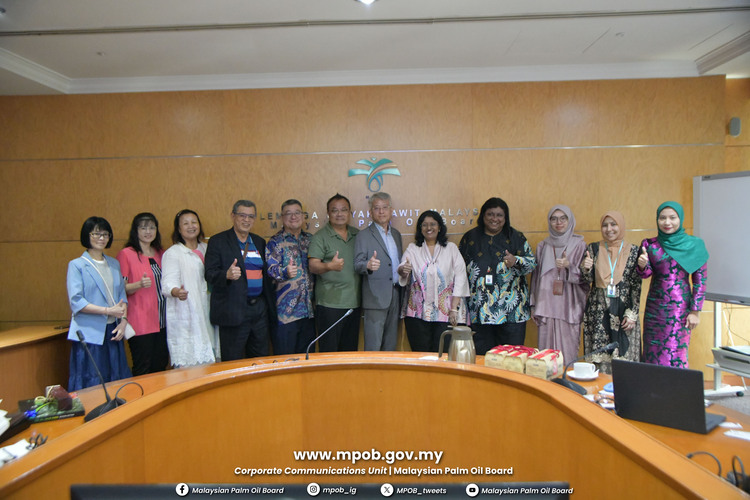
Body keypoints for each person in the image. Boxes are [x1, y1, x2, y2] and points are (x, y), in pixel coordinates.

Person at [459, 197, 537, 355]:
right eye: (490, 214)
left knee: (511, 359)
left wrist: (516, 261)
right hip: (479, 312)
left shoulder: (516, 237)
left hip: (512, 313)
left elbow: (532, 264)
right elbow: (459, 270)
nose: (494, 219)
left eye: (499, 215)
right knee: (482, 359)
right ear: (483, 216)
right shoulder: (470, 238)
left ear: (505, 217)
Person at [637, 201, 708, 368]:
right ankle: (652, 385)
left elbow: (700, 281)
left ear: (680, 219)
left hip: (679, 310)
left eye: (672, 218)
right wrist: (642, 265)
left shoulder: (694, 245)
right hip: (654, 309)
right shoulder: (650, 244)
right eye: (662, 218)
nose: (667, 222)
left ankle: (675, 385)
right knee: (651, 353)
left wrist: (695, 311)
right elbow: (646, 274)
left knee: (674, 352)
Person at [66, 217, 132, 391]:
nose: (101, 238)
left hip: (114, 330)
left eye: (105, 234)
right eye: (96, 234)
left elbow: (122, 297)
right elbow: (76, 301)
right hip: (90, 333)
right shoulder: (77, 265)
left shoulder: (114, 263)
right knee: (92, 381)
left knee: (116, 378)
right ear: (87, 236)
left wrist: (123, 322)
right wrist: (107, 310)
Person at [205, 200, 275, 361]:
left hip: (259, 310)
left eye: (251, 216)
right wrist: (226, 275)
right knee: (233, 360)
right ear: (233, 216)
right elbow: (209, 273)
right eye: (242, 215)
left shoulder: (259, 241)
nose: (246, 220)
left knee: (260, 359)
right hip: (233, 310)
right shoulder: (218, 241)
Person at [398, 210, 470, 352]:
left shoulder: (451, 248)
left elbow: (461, 277)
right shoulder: (413, 248)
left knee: (443, 354)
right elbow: (402, 267)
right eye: (424, 225)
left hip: (447, 312)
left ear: (440, 227)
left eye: (433, 224)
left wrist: (454, 309)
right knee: (421, 355)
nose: (429, 228)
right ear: (420, 229)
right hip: (418, 313)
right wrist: (403, 269)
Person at [580, 211, 642, 374]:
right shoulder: (593, 249)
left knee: (624, 360)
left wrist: (632, 313)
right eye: (605, 225)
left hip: (624, 312)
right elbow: (586, 280)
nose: (609, 229)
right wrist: (586, 268)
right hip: (598, 312)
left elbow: (636, 285)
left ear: (621, 226)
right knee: (599, 360)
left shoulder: (634, 251)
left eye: (613, 224)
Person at [530, 205, 589, 366]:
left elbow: (586, 278)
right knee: (546, 358)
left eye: (563, 218)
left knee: (567, 355)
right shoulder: (543, 246)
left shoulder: (580, 245)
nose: (558, 222)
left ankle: (566, 382)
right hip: (546, 305)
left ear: (570, 221)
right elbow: (536, 277)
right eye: (554, 219)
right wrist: (533, 304)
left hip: (569, 306)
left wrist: (569, 266)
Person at [161, 209, 217, 367]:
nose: (191, 226)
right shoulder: (173, 253)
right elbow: (168, 283)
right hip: (188, 312)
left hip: (210, 309)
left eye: (194, 222)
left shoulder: (207, 248)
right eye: (185, 224)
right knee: (192, 365)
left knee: (214, 360)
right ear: (178, 229)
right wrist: (176, 291)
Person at [116, 213, 168, 376]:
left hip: (163, 319)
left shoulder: (161, 253)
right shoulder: (126, 254)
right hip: (140, 320)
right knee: (143, 366)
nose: (148, 231)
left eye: (152, 227)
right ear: (135, 230)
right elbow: (120, 289)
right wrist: (138, 284)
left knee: (160, 365)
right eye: (143, 228)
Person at [308, 194, 361, 352]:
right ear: (328, 213)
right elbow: (313, 266)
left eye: (344, 210)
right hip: (329, 304)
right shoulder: (320, 237)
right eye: (335, 210)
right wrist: (329, 266)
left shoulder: (358, 235)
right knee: (329, 352)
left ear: (350, 212)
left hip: (354, 303)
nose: (339, 214)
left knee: (349, 352)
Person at [354, 192, 403, 351]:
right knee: (373, 347)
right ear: (370, 212)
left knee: (390, 346)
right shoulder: (363, 235)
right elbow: (357, 264)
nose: (381, 212)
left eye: (385, 207)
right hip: (375, 298)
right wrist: (367, 265)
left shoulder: (396, 234)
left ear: (391, 210)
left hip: (395, 294)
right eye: (377, 208)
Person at [266, 199, 315, 355]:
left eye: (297, 213)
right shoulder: (275, 242)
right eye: (288, 213)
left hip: (309, 312)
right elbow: (270, 270)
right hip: (285, 315)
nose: (293, 217)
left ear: (303, 216)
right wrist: (284, 272)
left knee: (307, 360)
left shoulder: (310, 240)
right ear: (282, 217)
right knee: (285, 361)